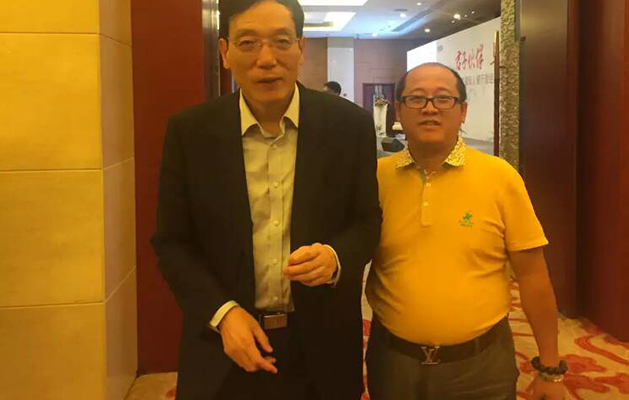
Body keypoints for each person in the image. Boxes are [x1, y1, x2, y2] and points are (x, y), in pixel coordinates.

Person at [151, 0, 381, 399]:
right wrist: (223, 314)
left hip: (322, 347)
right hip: (225, 345)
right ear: (225, 52)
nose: (267, 59)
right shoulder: (190, 132)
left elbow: (367, 221)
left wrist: (336, 257)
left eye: (281, 41)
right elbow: (172, 243)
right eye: (248, 43)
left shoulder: (350, 125)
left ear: (301, 48)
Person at [365, 62, 567, 400]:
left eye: (444, 98)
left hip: (481, 366)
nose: (430, 108)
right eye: (416, 98)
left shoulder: (499, 177)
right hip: (394, 362)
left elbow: (532, 276)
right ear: (398, 110)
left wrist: (550, 367)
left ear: (463, 111)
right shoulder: (374, 178)